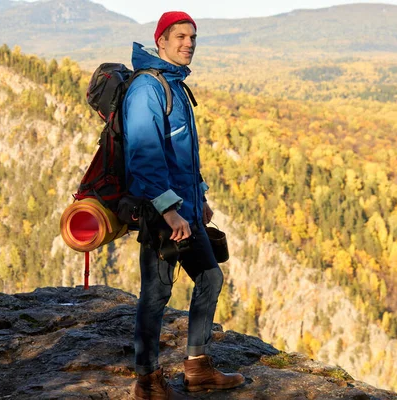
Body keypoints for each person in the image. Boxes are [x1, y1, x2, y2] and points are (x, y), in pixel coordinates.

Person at [123, 11, 245, 400]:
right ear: (160, 41)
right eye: (180, 36)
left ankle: (197, 369)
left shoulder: (175, 84)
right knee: (156, 294)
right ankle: (147, 381)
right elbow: (143, 156)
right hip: (162, 216)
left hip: (188, 212)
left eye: (193, 37)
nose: (188, 43)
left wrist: (201, 197)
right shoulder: (149, 88)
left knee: (211, 278)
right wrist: (169, 209)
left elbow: (183, 155)